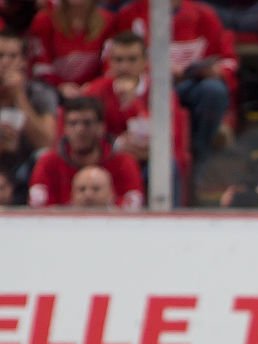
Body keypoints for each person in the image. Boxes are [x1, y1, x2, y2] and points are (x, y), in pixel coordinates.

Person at [115, 0, 238, 169]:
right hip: (147, 88)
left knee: (214, 90)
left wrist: (216, 71)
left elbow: (228, 60)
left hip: (192, 86)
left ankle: (200, 158)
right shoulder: (131, 13)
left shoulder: (204, 15)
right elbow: (114, 57)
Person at [82, 31, 191, 203]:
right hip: (108, 159)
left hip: (148, 160)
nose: (124, 67)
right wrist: (116, 146)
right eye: (118, 60)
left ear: (144, 62)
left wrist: (133, 104)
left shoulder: (161, 93)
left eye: (132, 60)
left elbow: (170, 139)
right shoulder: (94, 92)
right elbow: (82, 134)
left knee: (167, 166)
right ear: (110, 62)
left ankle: (167, 220)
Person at [28, 95, 143, 208]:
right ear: (65, 128)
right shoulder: (49, 162)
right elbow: (38, 207)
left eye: (87, 123)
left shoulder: (123, 162)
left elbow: (133, 204)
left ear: (101, 127)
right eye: (73, 123)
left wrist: (106, 205)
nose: (79, 130)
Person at [0, 30, 58, 196]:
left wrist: (19, 97)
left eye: (12, 56)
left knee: (44, 156)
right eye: (0, 55)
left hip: (26, 169)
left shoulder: (40, 93)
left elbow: (46, 142)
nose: (5, 62)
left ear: (23, 61)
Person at [27, 0, 116, 99]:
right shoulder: (44, 21)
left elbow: (110, 65)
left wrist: (93, 86)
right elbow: (40, 66)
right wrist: (61, 86)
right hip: (52, 89)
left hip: (93, 90)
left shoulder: (108, 21)